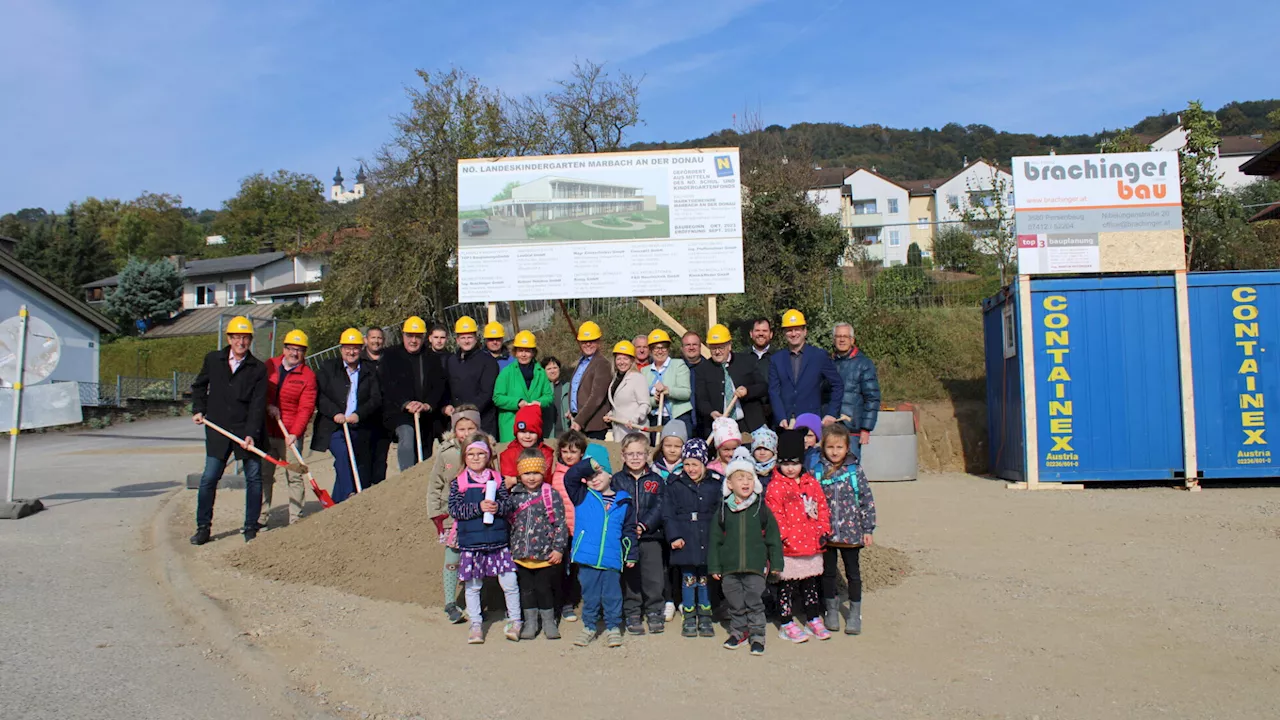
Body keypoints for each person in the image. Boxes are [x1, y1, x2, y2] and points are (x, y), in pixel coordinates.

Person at [190, 316, 269, 545]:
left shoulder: (258, 368)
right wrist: (199, 409)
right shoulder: (213, 360)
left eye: (245, 338)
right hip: (218, 430)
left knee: (254, 478)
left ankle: (250, 527)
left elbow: (258, 403)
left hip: (246, 432)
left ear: (250, 340)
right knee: (209, 478)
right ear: (229, 338)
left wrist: (251, 434)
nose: (241, 342)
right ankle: (203, 527)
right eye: (236, 337)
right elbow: (198, 386)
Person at [448, 434, 521, 643]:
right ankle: (476, 624)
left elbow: (509, 505)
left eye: (481, 453)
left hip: (498, 541)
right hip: (472, 543)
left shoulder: (497, 480)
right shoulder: (459, 482)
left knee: (510, 582)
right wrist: (478, 507)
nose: (476, 458)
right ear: (464, 456)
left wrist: (498, 507)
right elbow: (454, 509)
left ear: (488, 455)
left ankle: (516, 620)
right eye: (471, 454)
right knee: (473, 586)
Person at [709, 451, 783, 655]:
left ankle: (757, 635)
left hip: (755, 566)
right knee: (735, 603)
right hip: (730, 567)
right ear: (730, 484)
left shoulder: (761, 508)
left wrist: (776, 563)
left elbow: (773, 538)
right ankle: (738, 632)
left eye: (750, 477)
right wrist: (715, 566)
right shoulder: (723, 510)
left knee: (754, 601)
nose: (745, 482)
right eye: (740, 477)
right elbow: (715, 540)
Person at [562, 455, 638, 648]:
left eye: (598, 473)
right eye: (589, 477)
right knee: (590, 595)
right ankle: (589, 626)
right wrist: (588, 464)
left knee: (613, 595)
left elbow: (629, 530)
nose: (593, 479)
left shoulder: (624, 501)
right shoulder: (582, 495)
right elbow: (570, 477)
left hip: (612, 558)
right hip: (587, 558)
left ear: (610, 474)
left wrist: (630, 553)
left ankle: (613, 627)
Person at [765, 429, 832, 643]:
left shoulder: (811, 483)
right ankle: (786, 621)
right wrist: (785, 537)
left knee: (810, 584)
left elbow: (822, 507)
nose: (790, 468)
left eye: (795, 462)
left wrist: (823, 530)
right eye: (785, 463)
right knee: (787, 586)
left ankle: (813, 617)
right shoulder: (775, 487)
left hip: (811, 544)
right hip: (789, 548)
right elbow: (774, 516)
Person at [812, 424, 876, 636]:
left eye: (839, 447)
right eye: (830, 447)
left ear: (847, 447)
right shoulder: (817, 471)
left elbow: (867, 501)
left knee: (853, 574)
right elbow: (811, 501)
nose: (834, 451)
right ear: (823, 447)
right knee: (828, 574)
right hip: (827, 534)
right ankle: (831, 610)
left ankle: (855, 613)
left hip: (851, 534)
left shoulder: (855, 471)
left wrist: (868, 529)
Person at [311, 328, 382, 504]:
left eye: (356, 348)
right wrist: (335, 413)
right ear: (341, 349)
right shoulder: (329, 368)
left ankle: (336, 502)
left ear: (361, 348)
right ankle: (350, 495)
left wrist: (359, 414)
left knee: (352, 462)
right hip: (332, 426)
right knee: (343, 455)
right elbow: (320, 396)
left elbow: (375, 399)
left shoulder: (368, 371)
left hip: (357, 425)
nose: (351, 352)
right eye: (347, 348)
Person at [426, 406, 482, 624]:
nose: (466, 433)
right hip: (452, 515)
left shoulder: (486, 449)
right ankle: (450, 602)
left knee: (476, 558)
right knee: (453, 557)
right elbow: (435, 484)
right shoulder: (445, 452)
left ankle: (474, 602)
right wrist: (436, 513)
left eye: (471, 428)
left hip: (477, 513)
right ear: (454, 430)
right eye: (461, 428)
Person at [662, 438, 723, 638]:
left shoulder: (715, 483)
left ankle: (705, 615)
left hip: (707, 534)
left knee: (705, 578)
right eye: (687, 463)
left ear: (704, 463)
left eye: (695, 464)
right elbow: (668, 513)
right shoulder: (675, 482)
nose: (690, 468)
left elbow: (719, 511)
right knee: (688, 577)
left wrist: (719, 536)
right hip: (685, 536)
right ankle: (689, 615)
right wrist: (674, 536)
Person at [509, 449, 569, 640]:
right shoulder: (514, 495)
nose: (532, 477)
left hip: (544, 555)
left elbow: (560, 524)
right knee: (526, 590)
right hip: (522, 555)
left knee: (544, 589)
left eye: (536, 472)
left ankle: (549, 621)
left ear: (543, 472)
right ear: (520, 474)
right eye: (527, 473)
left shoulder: (551, 494)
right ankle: (531, 622)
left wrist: (559, 549)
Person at [610, 432, 666, 635]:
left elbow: (660, 506)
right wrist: (629, 528)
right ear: (623, 456)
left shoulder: (656, 480)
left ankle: (654, 610)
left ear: (647, 455)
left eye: (639, 453)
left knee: (653, 577)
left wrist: (644, 525)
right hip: (626, 539)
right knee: (630, 576)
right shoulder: (616, 481)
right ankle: (633, 611)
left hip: (651, 537)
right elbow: (615, 507)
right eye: (630, 453)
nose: (635, 457)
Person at [260, 329, 317, 529]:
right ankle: (260, 517)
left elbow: (306, 407)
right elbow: (259, 391)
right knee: (264, 475)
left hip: (290, 434)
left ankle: (295, 519)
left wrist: (295, 432)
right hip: (267, 431)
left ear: (304, 352)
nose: (294, 353)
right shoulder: (269, 366)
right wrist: (268, 405)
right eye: (291, 349)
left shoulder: (308, 376)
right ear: (284, 349)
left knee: (294, 475)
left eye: (299, 350)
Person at [381, 316, 448, 471]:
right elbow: (388, 385)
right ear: (403, 335)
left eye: (417, 337)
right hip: (399, 413)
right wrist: (406, 403)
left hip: (425, 414)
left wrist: (428, 405)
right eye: (409, 336)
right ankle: (407, 475)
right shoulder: (391, 356)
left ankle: (421, 479)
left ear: (424, 337)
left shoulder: (431, 357)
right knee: (407, 434)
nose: (413, 340)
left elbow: (438, 385)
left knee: (425, 450)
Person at [768, 309, 844, 430]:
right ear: (784, 333)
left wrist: (831, 413)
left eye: (797, 329)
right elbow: (773, 391)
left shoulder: (819, 356)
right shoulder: (776, 359)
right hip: (785, 424)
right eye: (789, 330)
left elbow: (837, 385)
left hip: (812, 423)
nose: (793, 334)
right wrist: (780, 417)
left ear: (805, 331)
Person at [695, 323, 768, 434]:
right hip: (721, 427)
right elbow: (701, 399)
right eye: (713, 348)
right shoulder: (703, 369)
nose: (717, 351)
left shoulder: (747, 361)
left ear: (729, 346)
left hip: (749, 424)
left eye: (721, 347)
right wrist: (711, 412)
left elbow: (763, 387)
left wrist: (747, 391)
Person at [832, 322, 881, 463]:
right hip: (831, 428)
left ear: (852, 340)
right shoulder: (828, 363)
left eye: (845, 336)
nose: (842, 340)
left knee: (850, 470)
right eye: (838, 336)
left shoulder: (864, 364)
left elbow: (872, 397)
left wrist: (866, 428)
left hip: (852, 429)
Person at [444, 316, 500, 437]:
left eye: (469, 337)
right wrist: (447, 406)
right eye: (463, 337)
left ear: (475, 338)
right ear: (457, 340)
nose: (466, 341)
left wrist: (468, 413)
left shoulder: (488, 361)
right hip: (457, 421)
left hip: (482, 421)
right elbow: (447, 387)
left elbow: (487, 393)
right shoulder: (451, 361)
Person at [493, 331, 554, 442]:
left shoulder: (540, 372)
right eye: (520, 351)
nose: (524, 354)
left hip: (533, 428)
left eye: (527, 351)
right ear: (515, 352)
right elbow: (497, 398)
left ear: (533, 353)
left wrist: (539, 402)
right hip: (510, 427)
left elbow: (548, 396)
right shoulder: (506, 372)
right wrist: (517, 402)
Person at [567, 321, 612, 440]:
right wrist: (572, 408)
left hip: (592, 425)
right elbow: (578, 388)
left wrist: (579, 421)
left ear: (598, 342)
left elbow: (596, 397)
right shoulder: (581, 362)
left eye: (592, 341)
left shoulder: (602, 364)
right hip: (578, 421)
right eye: (584, 342)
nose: (588, 344)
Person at [642, 329, 692, 436]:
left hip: (678, 418)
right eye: (656, 348)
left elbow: (686, 393)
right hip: (655, 419)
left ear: (668, 349)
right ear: (650, 350)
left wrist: (668, 390)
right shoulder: (645, 371)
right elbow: (642, 399)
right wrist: (654, 400)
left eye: (663, 347)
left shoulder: (679, 365)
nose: (660, 351)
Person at [605, 340, 650, 441]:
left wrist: (634, 419)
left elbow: (645, 405)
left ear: (631, 360)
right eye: (619, 359)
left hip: (634, 432)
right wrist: (611, 414)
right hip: (618, 430)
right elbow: (619, 404)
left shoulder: (638, 378)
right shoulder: (616, 378)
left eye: (625, 359)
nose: (621, 362)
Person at [361, 326, 390, 487]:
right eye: (373, 338)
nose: (376, 341)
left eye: (379, 338)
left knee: (381, 459)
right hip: (365, 417)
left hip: (384, 417)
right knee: (364, 458)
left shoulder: (389, 360)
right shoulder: (360, 361)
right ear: (366, 340)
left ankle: (379, 489)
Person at [498, 405, 556, 481]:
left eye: (532, 432)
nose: (527, 436)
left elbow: (546, 479)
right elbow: (507, 481)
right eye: (523, 432)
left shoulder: (546, 454)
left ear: (538, 434)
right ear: (516, 433)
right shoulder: (508, 454)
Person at [750, 317, 775, 423]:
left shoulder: (779, 357)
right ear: (751, 334)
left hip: (774, 415)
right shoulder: (742, 358)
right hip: (750, 415)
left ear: (771, 334)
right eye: (757, 331)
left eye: (764, 331)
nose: (761, 334)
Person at [681, 331, 705, 437]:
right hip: (683, 423)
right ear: (682, 348)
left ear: (700, 347)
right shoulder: (676, 368)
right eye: (687, 345)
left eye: (694, 344)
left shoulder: (710, 368)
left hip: (705, 424)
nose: (691, 348)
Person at [541, 356, 567, 439]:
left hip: (566, 433)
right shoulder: (539, 389)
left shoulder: (568, 387)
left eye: (555, 368)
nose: (552, 371)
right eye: (549, 369)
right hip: (547, 435)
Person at [750, 426, 778, 491]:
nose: (762, 453)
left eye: (766, 449)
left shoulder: (779, 470)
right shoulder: (747, 468)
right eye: (758, 449)